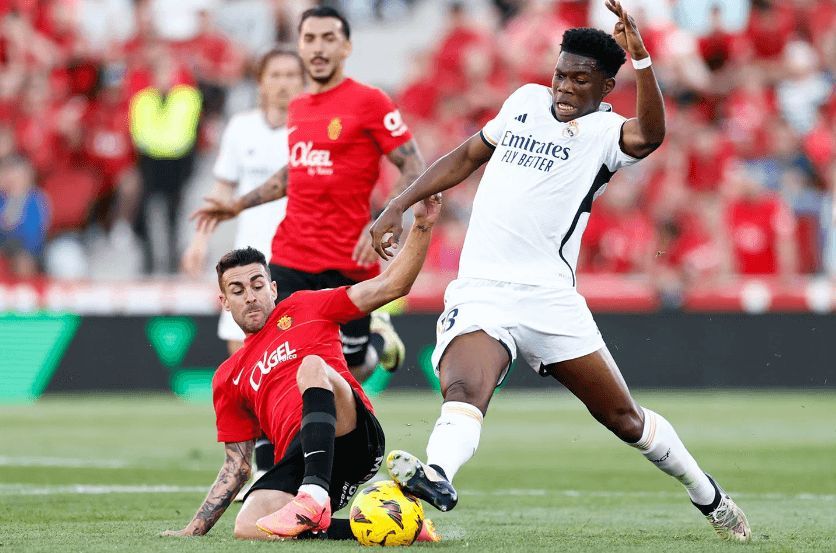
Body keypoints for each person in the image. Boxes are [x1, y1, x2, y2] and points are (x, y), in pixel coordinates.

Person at [369, 0, 751, 543]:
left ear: (605, 87)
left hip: (549, 299)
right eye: (560, 75)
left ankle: (708, 495)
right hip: (482, 291)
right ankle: (437, 476)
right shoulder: (524, 101)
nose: (564, 88)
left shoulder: (606, 134)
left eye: (579, 80)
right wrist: (398, 204)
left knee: (626, 421)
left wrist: (643, 60)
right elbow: (466, 155)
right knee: (463, 387)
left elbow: (652, 135)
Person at [192, 6, 426, 482]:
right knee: (265, 362)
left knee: (348, 369)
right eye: (309, 38)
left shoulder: (370, 101)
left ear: (346, 46)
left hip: (349, 261)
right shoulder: (299, 107)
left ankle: (375, 342)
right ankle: (266, 474)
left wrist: (390, 214)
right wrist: (238, 206)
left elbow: (413, 163)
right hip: (292, 257)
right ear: (300, 46)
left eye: (327, 38)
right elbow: (294, 171)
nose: (317, 47)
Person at [161, 194, 443, 541]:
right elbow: (236, 467)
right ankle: (400, 528)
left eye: (257, 285)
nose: (249, 296)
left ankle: (313, 496)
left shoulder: (307, 305)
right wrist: (193, 530)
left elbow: (392, 285)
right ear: (224, 302)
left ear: (273, 288)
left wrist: (423, 225)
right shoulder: (227, 377)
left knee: (312, 366)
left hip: (353, 436)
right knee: (249, 527)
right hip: (301, 456)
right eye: (237, 290)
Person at [182, 47, 305, 357]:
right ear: (260, 82)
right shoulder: (241, 127)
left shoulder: (313, 131)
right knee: (242, 355)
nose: (283, 83)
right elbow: (222, 189)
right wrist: (199, 241)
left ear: (303, 82)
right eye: (275, 75)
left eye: (291, 76)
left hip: (299, 258)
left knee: (298, 353)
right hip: (249, 261)